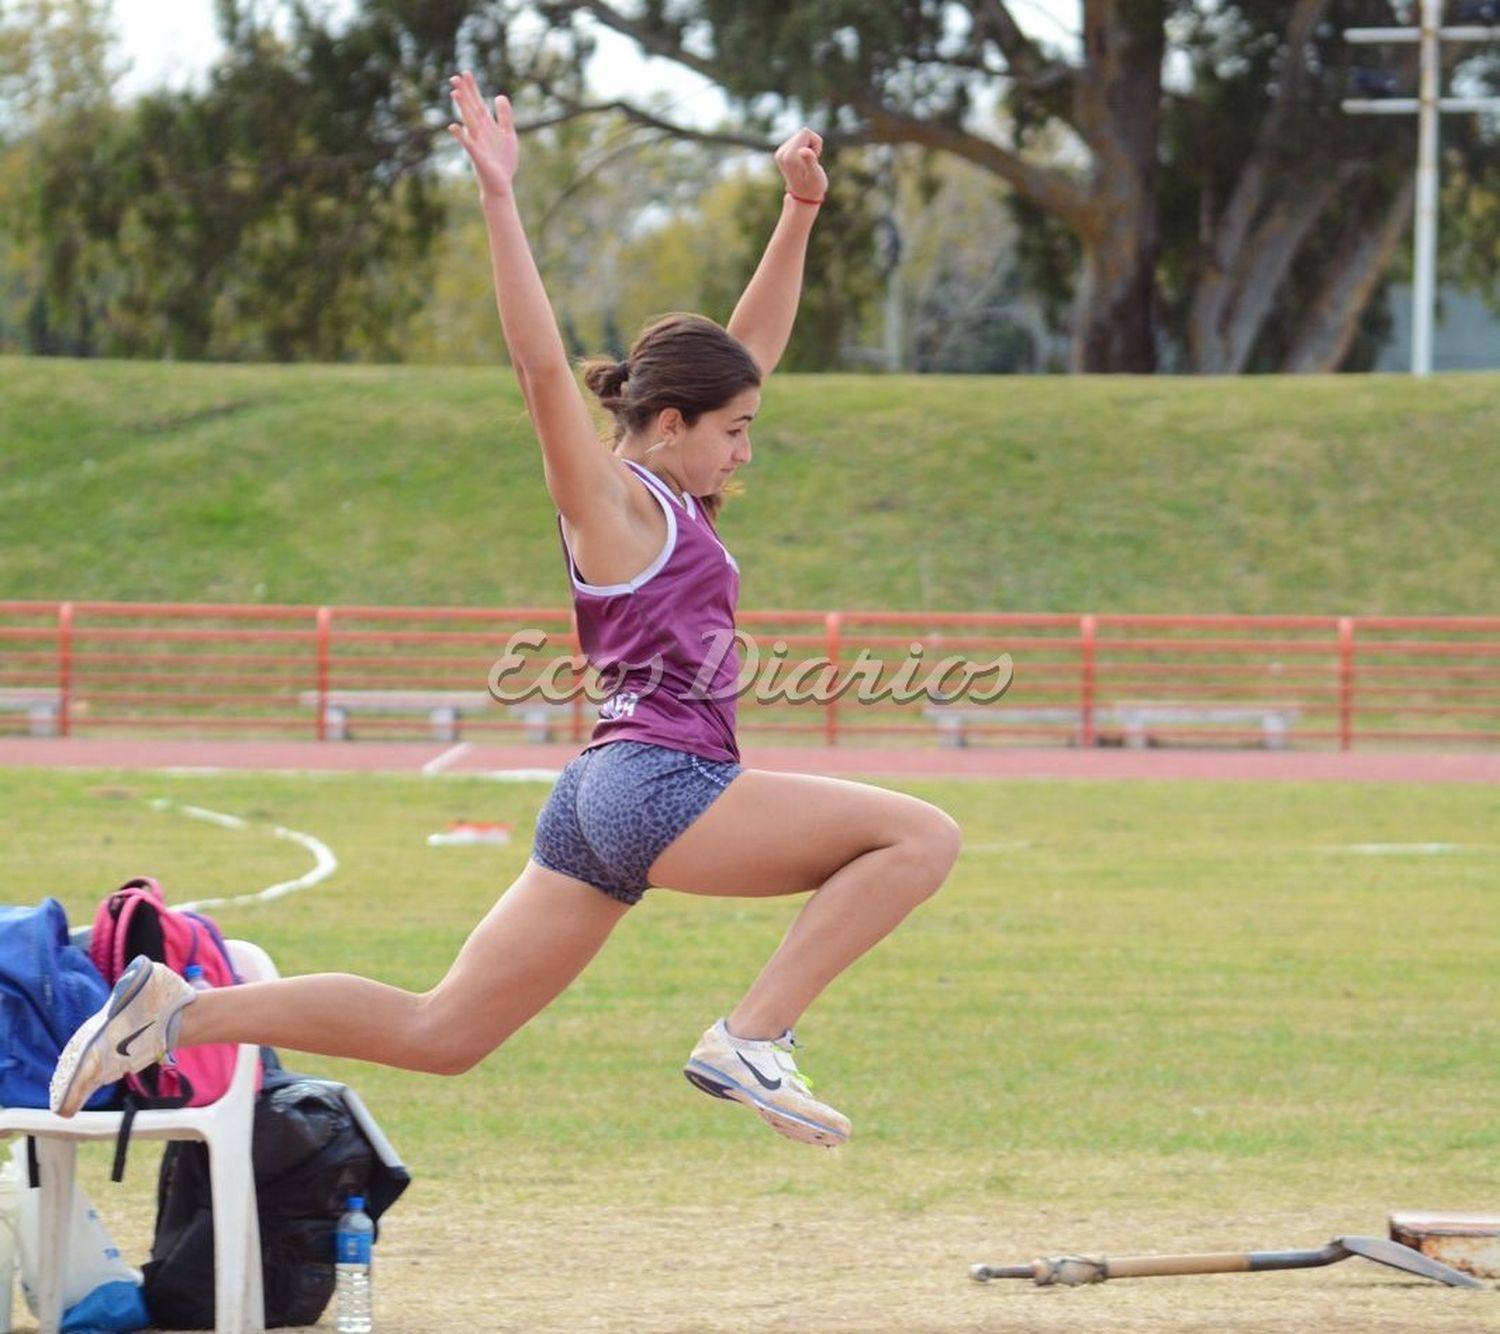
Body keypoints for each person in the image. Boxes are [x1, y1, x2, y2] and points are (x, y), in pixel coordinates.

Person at [50, 72, 962, 1148]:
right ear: (667, 423)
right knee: (919, 834)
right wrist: (498, 195)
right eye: (736, 428)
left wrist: (798, 213)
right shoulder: (614, 505)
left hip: (597, 797)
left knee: (443, 1028)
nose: (748, 445)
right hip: (662, 782)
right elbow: (540, 367)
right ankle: (752, 1034)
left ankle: (179, 1009)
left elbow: (746, 353)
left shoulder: (678, 485)